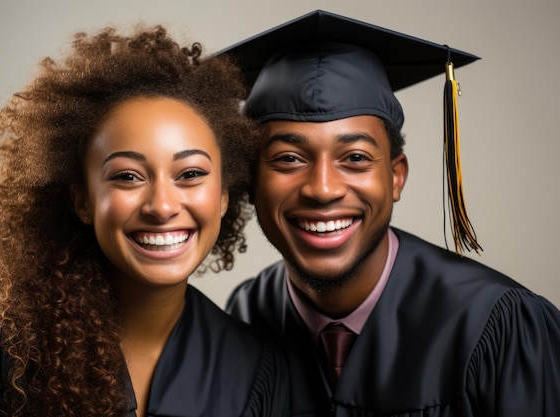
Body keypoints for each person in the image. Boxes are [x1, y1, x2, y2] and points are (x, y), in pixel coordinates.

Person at [0, 24, 289, 417]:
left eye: (190, 174)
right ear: (83, 200)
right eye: (127, 177)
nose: (162, 206)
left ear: (224, 195)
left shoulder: (256, 371)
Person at [220, 9, 560, 417]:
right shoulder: (247, 312)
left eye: (356, 157)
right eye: (289, 159)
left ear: (396, 177)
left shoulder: (499, 326)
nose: (323, 189)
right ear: (249, 181)